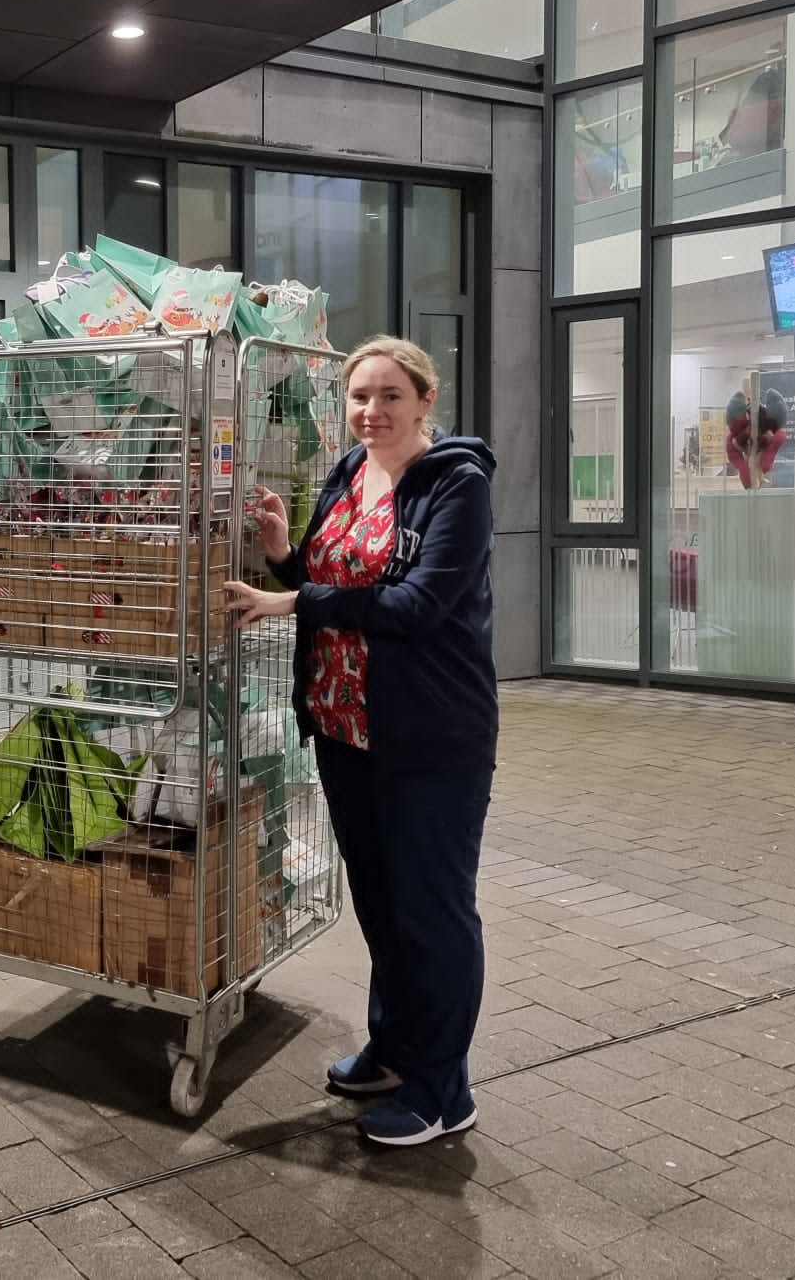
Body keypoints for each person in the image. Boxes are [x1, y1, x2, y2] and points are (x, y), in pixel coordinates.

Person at [224, 336, 497, 1147]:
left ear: (424, 401)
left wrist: (290, 601)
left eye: (389, 396)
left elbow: (415, 605)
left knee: (434, 914)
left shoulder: (456, 485)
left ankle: (445, 1090)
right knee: (382, 904)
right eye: (358, 397)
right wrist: (284, 556)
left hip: (429, 736)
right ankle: (394, 1048)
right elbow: (329, 571)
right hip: (346, 728)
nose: (371, 412)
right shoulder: (347, 472)